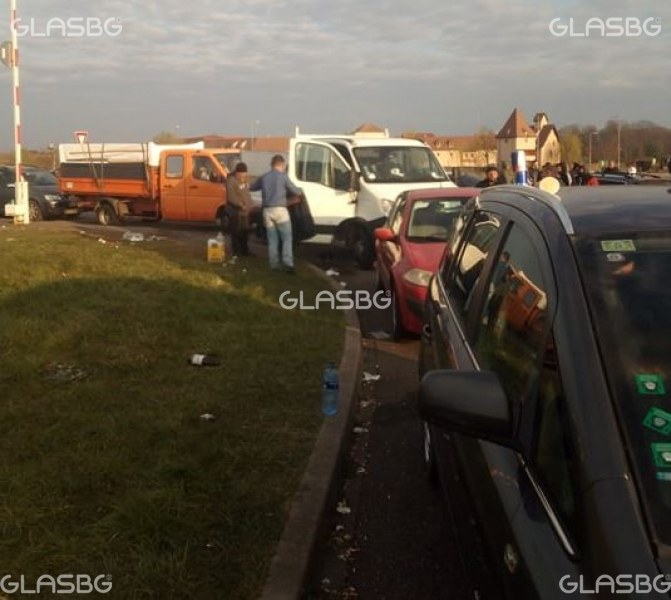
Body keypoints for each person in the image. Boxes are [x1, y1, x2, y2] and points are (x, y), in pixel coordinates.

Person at [250, 155, 302, 273]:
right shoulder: (283, 177)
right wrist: (300, 190)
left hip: (267, 211)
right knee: (286, 238)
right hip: (280, 210)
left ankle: (274, 265)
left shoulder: (264, 177)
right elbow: (296, 191)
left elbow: (252, 187)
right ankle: (288, 264)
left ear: (271, 164)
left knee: (272, 239)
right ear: (282, 164)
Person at [226, 162, 252, 257]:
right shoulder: (231, 181)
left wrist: (250, 204)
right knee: (236, 233)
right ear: (237, 173)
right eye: (242, 173)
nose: (244, 176)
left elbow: (247, 193)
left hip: (245, 212)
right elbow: (231, 197)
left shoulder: (244, 181)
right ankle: (236, 252)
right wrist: (240, 204)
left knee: (245, 232)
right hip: (235, 212)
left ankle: (245, 251)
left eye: (245, 173)